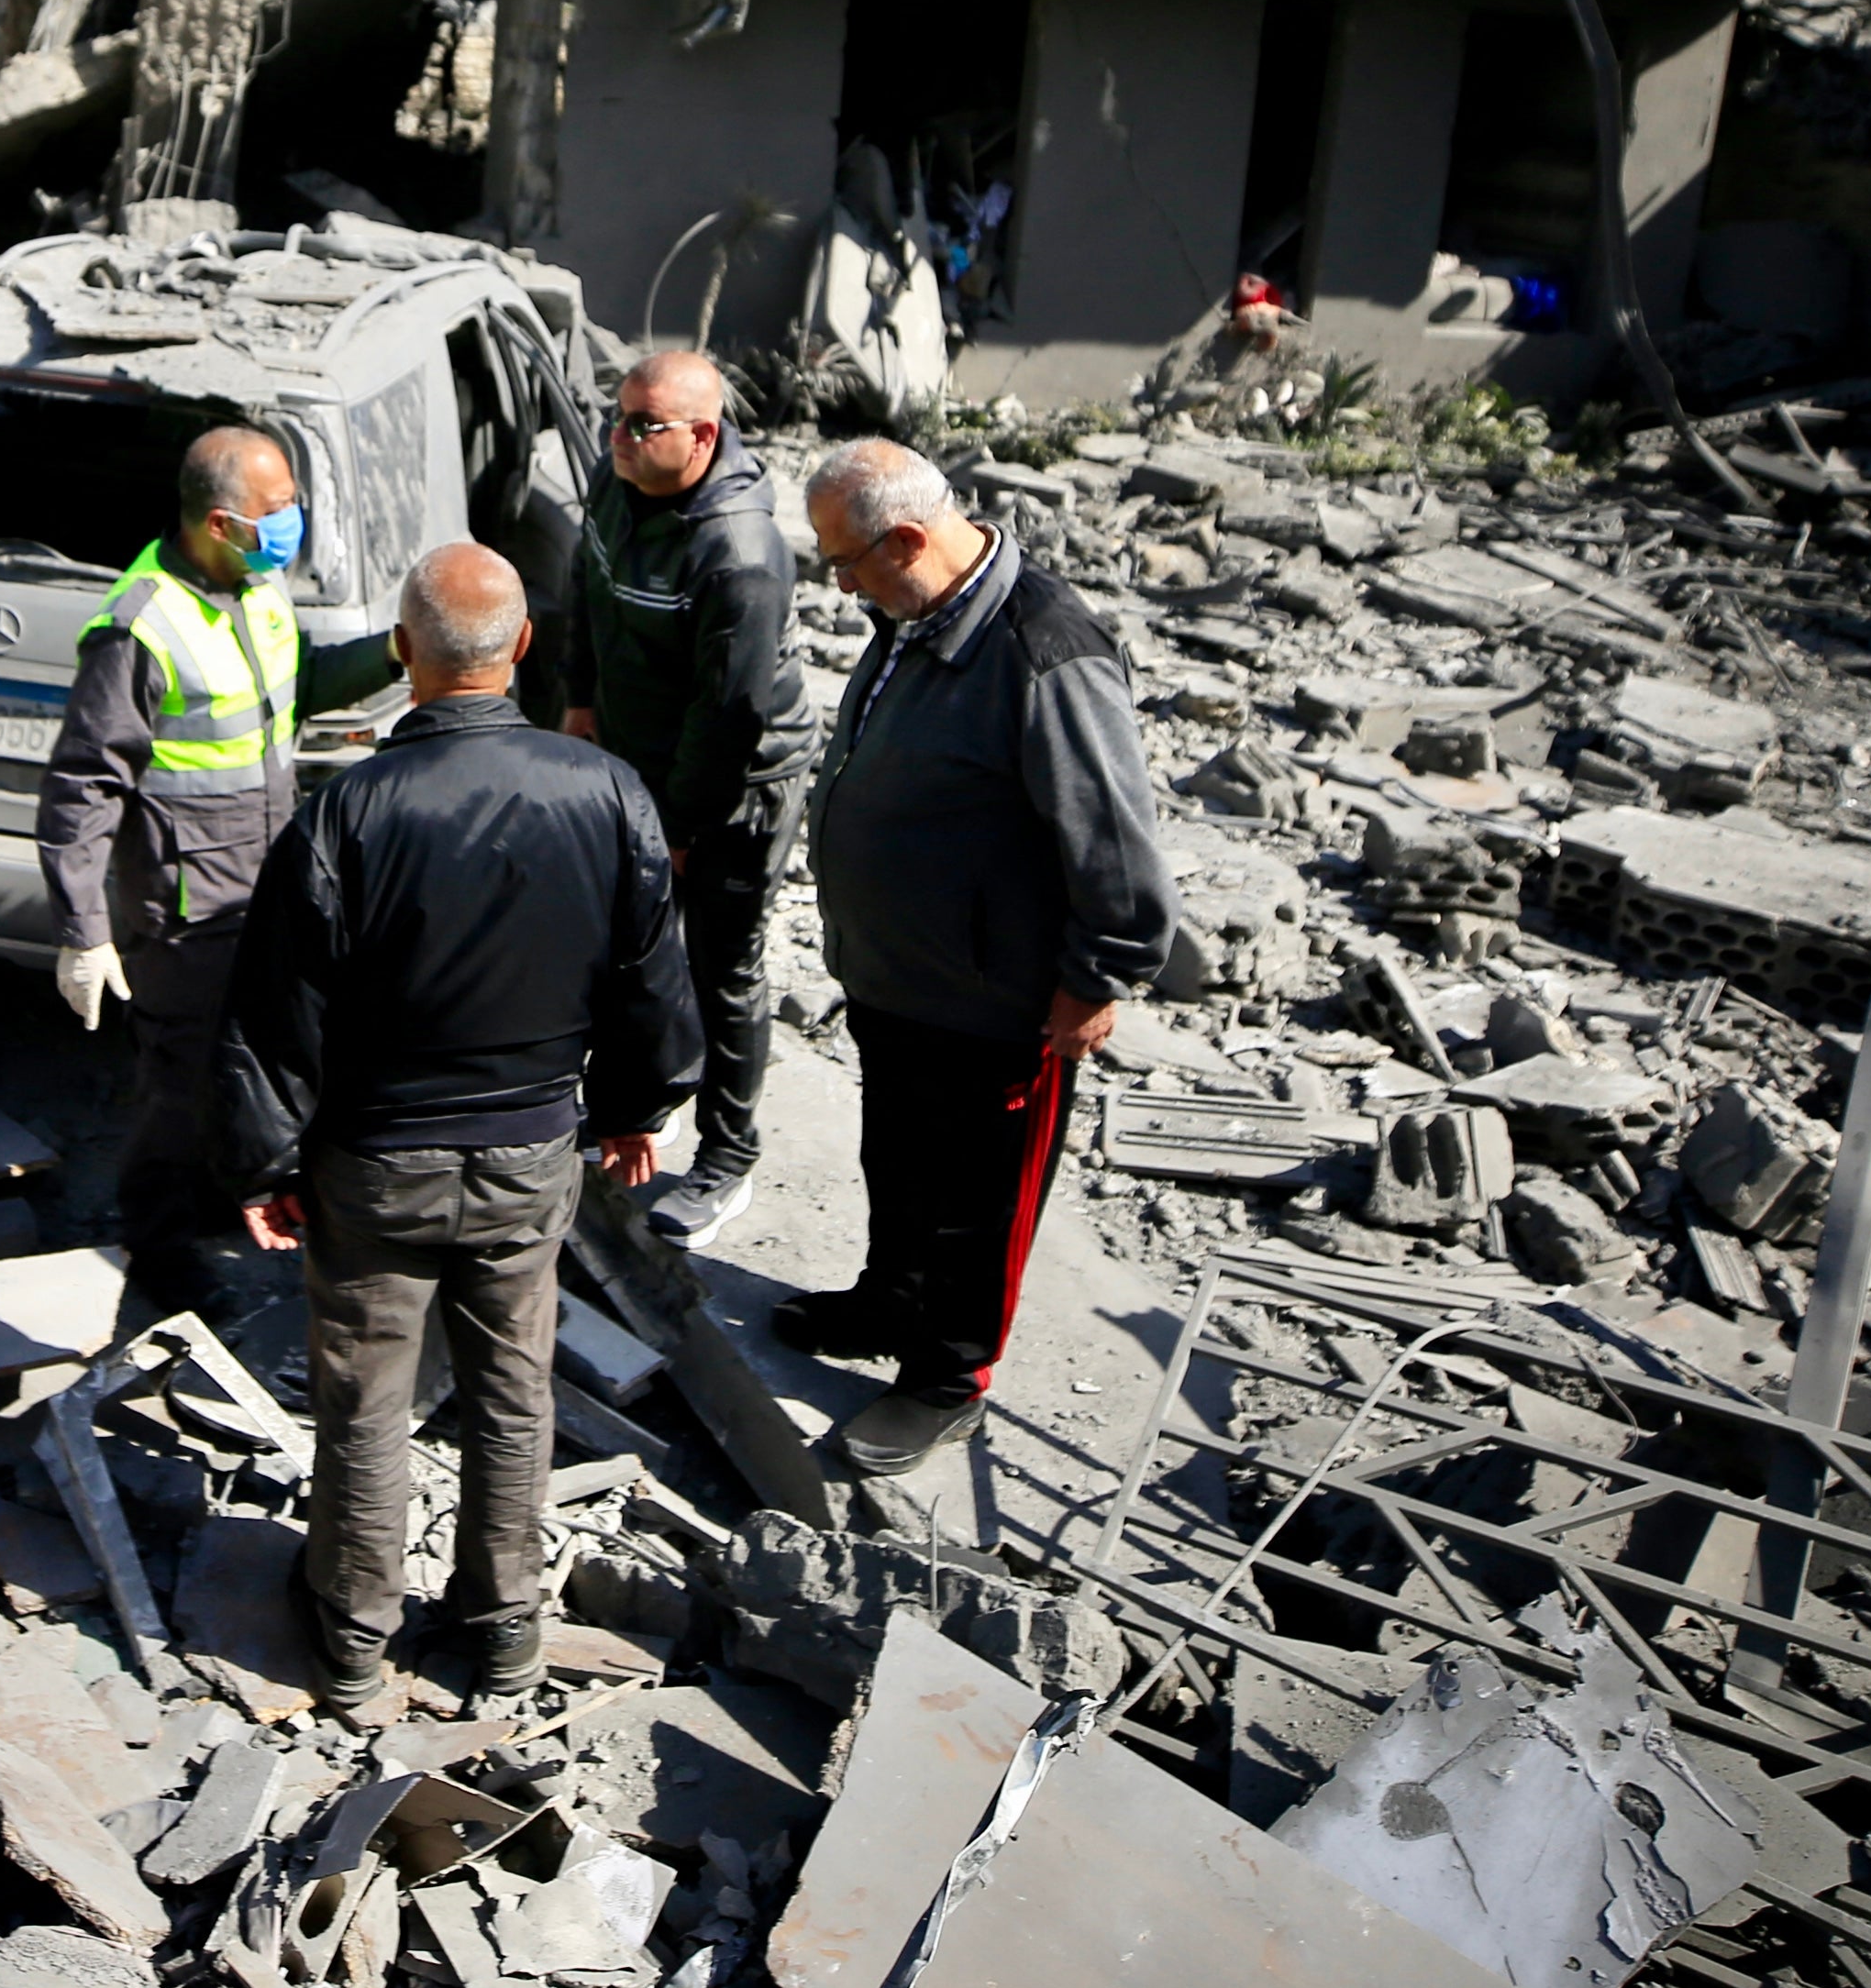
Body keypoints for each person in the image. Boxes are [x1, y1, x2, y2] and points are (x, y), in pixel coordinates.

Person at [220, 544, 698, 1722]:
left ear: (406, 652)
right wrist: (639, 1108)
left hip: (374, 1164)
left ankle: (348, 1647)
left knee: (366, 1402)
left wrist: (267, 1160)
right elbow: (657, 986)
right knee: (511, 1394)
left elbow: (279, 1014)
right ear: (522, 646)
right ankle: (503, 1642)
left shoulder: (348, 814)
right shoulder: (607, 793)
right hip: (531, 1157)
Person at [782, 438, 1179, 1476]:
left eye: (847, 560)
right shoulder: (915, 613)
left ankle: (949, 1376)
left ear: (909, 539)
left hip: (992, 1000)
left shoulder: (1045, 648)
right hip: (900, 976)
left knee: (978, 1203)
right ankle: (890, 1301)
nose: (840, 583)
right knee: (898, 1159)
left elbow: (1114, 839)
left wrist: (1098, 975)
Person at [36, 425, 399, 1284]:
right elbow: (84, 785)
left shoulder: (259, 589)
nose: (294, 523)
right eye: (277, 511)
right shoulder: (138, 627)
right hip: (185, 907)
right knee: (182, 1083)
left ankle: (224, 1206)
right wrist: (84, 931)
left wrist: (389, 657)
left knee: (255, 1059)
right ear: (222, 522)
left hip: (262, 883)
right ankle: (161, 1257)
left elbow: (298, 687)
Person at [556, 348, 806, 1244]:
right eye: (617, 418)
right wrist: (580, 701)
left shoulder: (737, 552)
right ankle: (629, 1111)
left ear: (703, 436)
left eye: (643, 425)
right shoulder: (615, 477)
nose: (619, 438)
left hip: (734, 783)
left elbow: (728, 712)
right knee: (623, 939)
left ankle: (727, 1157)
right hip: (630, 751)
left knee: (720, 966)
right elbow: (585, 589)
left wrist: (684, 828)